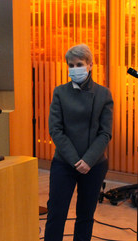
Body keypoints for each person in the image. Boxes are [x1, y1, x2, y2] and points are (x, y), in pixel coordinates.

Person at [44, 43, 113, 241]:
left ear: (90, 65)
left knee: (85, 216)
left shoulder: (103, 94)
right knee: (56, 214)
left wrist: (88, 160)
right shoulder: (60, 92)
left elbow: (105, 133)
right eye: (71, 65)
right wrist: (76, 160)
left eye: (79, 64)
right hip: (64, 162)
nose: (75, 69)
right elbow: (55, 130)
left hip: (94, 164)